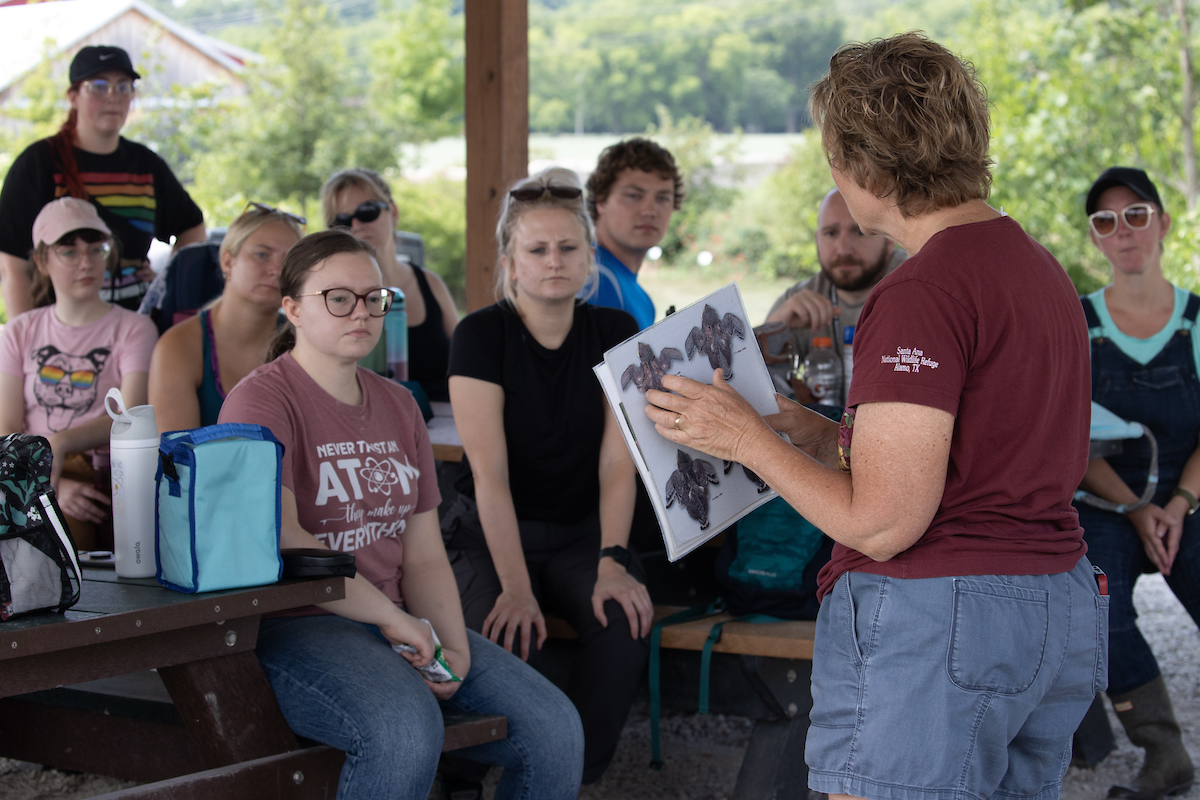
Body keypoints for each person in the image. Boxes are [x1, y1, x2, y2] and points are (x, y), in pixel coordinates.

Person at [644, 33, 1105, 800]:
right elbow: (989, 444)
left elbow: (885, 523)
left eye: (832, 152)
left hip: (944, 620)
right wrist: (824, 434)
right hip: (1050, 601)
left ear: (867, 164)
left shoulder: (921, 290)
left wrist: (747, 439)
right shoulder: (1034, 262)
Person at [217, 229, 583, 800]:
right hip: (298, 623)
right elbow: (286, 538)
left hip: (399, 618)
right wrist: (395, 620)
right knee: (404, 729)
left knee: (555, 730)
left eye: (373, 297)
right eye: (337, 298)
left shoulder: (397, 402)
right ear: (292, 309)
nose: (360, 311)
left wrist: (451, 643)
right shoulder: (260, 399)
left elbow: (424, 550)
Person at [443, 167, 653, 783]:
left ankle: (566, 776)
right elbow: (489, 476)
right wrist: (514, 586)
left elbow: (619, 462)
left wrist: (613, 558)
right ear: (511, 261)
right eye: (537, 249)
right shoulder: (481, 335)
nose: (553, 261)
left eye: (568, 248)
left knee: (623, 624)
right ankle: (461, 777)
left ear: (590, 258)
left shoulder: (615, 332)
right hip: (488, 531)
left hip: (580, 533)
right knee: (501, 636)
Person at [1074, 166, 1197, 800]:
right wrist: (1136, 511)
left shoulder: (1196, 322)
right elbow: (1067, 434)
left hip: (1189, 496)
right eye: (1105, 222)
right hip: (1103, 496)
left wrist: (1176, 504)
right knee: (1099, 606)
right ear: (1095, 239)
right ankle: (1164, 752)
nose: (1123, 231)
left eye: (1136, 215)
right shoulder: (1078, 322)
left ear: (1163, 224)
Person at [0, 46, 206, 318]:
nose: (113, 97)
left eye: (124, 87)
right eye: (98, 86)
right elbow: (12, 267)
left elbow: (192, 227)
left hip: (136, 324)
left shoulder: (146, 165)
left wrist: (166, 280)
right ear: (73, 96)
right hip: (62, 333)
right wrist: (25, 339)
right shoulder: (40, 163)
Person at [0, 198, 157, 549]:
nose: (85, 262)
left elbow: (130, 416)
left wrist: (63, 441)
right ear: (42, 260)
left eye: (95, 249)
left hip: (111, 471)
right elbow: (7, 428)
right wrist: (49, 486)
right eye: (68, 251)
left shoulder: (135, 328)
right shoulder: (18, 331)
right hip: (37, 473)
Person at [147, 204, 304, 431]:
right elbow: (178, 459)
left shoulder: (304, 342)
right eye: (262, 255)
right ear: (228, 261)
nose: (277, 270)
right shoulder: (179, 346)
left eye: (289, 260)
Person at [320, 168, 459, 402]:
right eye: (341, 220)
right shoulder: (329, 296)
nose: (355, 224)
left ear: (393, 212)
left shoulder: (430, 284)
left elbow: (467, 361)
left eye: (367, 212)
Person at [762, 187, 906, 404]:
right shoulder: (800, 300)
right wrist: (774, 327)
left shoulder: (917, 286)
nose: (843, 249)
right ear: (817, 239)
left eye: (859, 232)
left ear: (889, 240)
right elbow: (751, 389)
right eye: (830, 233)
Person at [584, 137, 685, 329]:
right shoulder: (593, 282)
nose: (649, 210)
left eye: (662, 198)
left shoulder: (638, 295)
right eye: (634, 196)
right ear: (601, 201)